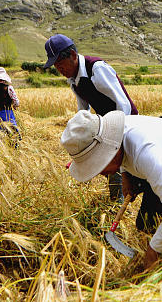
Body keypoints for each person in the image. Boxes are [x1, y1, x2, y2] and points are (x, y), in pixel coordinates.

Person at [60, 110, 162, 270]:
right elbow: (120, 151)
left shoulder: (146, 152)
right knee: (146, 224)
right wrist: (126, 175)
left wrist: (154, 251)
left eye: (99, 164)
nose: (99, 172)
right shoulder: (114, 138)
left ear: (112, 151)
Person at [44, 33, 137, 201]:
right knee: (110, 164)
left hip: (126, 121)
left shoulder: (96, 69)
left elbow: (123, 104)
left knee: (131, 165)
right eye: (55, 67)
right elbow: (83, 112)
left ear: (72, 55)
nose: (60, 70)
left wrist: (118, 136)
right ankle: (117, 202)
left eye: (60, 64)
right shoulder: (73, 80)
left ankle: (132, 201)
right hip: (107, 125)